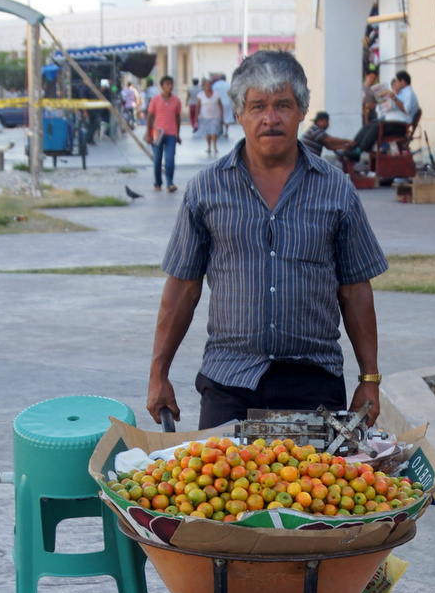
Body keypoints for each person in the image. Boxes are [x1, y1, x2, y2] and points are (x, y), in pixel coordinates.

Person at [146, 50, 387, 433]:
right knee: (219, 492)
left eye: (283, 105)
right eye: (257, 106)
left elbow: (355, 289)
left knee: (314, 493)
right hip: (229, 380)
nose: (270, 118)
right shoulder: (205, 190)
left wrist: (369, 379)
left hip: (313, 384)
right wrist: (159, 372)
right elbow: (182, 288)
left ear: (302, 111)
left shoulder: (337, 190)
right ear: (239, 113)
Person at [341, 71, 420, 161]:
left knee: (376, 127)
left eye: (397, 81)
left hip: (400, 126)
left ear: (403, 82)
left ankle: (359, 151)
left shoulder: (409, 94)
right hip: (393, 122)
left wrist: (394, 98)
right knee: (368, 126)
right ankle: (352, 147)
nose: (396, 84)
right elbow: (395, 106)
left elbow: (406, 110)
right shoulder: (402, 93)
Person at [145, 75, 182, 192]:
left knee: (170, 159)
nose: (169, 86)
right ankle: (158, 182)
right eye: (167, 84)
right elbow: (150, 117)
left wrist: (178, 134)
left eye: (171, 84)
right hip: (157, 133)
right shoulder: (155, 100)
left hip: (171, 133)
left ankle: (170, 182)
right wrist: (148, 133)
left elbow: (177, 118)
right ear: (162, 86)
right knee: (157, 159)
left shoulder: (176, 101)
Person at [196, 78, 223, 155]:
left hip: (215, 116)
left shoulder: (216, 94)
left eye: (210, 84)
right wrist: (196, 117)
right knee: (208, 133)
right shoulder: (200, 95)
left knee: (214, 132)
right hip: (204, 117)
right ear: (204, 86)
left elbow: (220, 105)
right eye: (207, 85)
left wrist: (222, 115)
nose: (208, 86)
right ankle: (209, 147)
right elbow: (197, 106)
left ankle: (215, 147)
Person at [212, 73, 234, 137]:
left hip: (218, 103)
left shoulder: (215, 85)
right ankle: (226, 131)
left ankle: (220, 129)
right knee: (227, 117)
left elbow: (213, 94)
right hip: (227, 102)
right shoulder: (228, 85)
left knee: (219, 116)